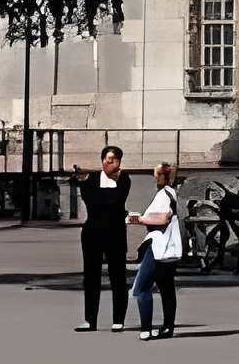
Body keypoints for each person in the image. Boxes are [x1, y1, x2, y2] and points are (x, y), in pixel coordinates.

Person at [75, 146, 131, 334]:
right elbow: (92, 202)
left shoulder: (124, 179)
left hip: (115, 233)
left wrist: (105, 197)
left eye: (115, 159)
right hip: (92, 233)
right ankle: (90, 320)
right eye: (108, 159)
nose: (111, 163)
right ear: (102, 161)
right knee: (91, 277)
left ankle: (118, 320)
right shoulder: (90, 180)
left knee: (118, 277)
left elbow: (115, 200)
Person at [128, 161, 182, 341]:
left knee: (141, 287)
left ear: (165, 177)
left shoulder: (164, 194)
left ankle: (145, 328)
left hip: (158, 247)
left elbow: (163, 219)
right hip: (170, 249)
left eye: (157, 174)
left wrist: (139, 220)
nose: (154, 177)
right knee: (166, 288)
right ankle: (168, 327)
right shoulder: (171, 193)